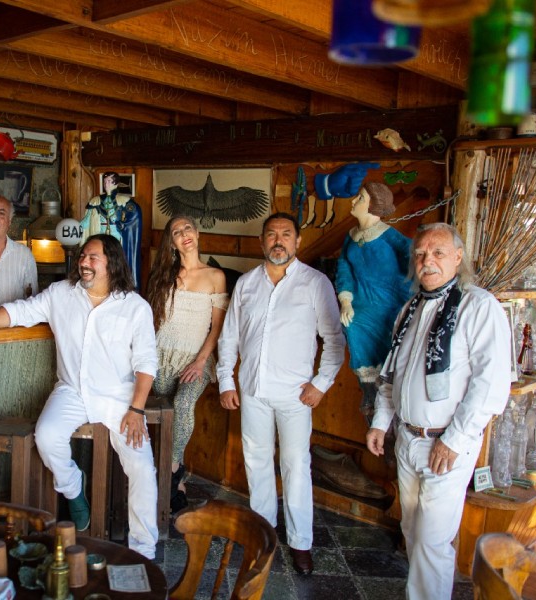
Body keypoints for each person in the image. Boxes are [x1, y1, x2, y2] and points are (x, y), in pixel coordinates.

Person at [0, 234, 159, 559]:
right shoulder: (61, 294)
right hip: (71, 390)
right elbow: (20, 311)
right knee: (47, 435)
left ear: (112, 262)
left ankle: (145, 551)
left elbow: (146, 363)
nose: (83, 262)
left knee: (142, 469)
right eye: (82, 256)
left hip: (120, 398)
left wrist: (137, 410)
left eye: (92, 257)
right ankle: (73, 487)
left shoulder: (135, 307)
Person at [367, 223, 511, 600]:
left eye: (438, 252)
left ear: (458, 257)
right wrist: (382, 422)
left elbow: (490, 384)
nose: (427, 261)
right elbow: (392, 374)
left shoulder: (478, 306)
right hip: (408, 441)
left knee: (432, 541)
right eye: (421, 254)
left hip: (445, 445)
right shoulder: (410, 309)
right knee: (413, 533)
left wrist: (455, 439)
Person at [217, 212, 344, 576]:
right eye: (271, 234)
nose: (278, 240)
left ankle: (301, 543)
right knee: (256, 463)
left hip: (295, 394)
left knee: (295, 466)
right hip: (253, 389)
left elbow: (334, 340)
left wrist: (321, 383)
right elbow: (230, 336)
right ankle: (264, 534)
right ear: (261, 241)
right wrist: (226, 379)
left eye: (286, 234)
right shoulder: (247, 283)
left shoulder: (314, 283)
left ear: (297, 241)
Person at [144, 215, 227, 513]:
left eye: (187, 228)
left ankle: (174, 468)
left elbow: (217, 327)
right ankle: (172, 482)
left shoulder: (215, 276)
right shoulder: (165, 274)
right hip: (161, 355)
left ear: (198, 231)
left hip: (196, 359)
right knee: (163, 415)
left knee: (182, 404)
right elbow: (153, 321)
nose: (184, 234)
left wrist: (200, 360)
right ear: (173, 241)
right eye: (176, 232)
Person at [336, 183, 412, 422]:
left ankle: (392, 400)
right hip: (362, 303)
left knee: (391, 347)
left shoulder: (389, 236)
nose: (353, 202)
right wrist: (345, 299)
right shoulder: (351, 237)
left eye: (360, 198)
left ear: (373, 205)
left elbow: (415, 255)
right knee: (352, 327)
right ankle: (369, 390)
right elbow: (344, 269)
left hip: (390, 304)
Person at [79, 172, 143, 289]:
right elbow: (86, 221)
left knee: (115, 261)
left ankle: (118, 286)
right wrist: (77, 227)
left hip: (116, 236)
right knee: (100, 261)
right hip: (100, 235)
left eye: (109, 181)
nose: (106, 184)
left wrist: (122, 224)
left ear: (116, 183)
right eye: (104, 182)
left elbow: (134, 215)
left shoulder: (124, 201)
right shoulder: (95, 201)